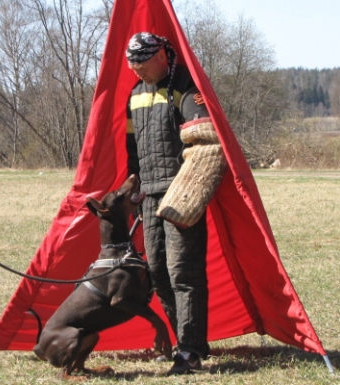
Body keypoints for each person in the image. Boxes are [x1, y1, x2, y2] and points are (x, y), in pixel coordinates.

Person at [125, 32, 209, 375]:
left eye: (143, 65)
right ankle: (185, 342)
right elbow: (133, 148)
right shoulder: (134, 93)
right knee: (158, 272)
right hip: (149, 195)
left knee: (183, 272)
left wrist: (190, 187)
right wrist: (133, 186)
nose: (138, 72)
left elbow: (205, 138)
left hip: (182, 193)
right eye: (133, 67)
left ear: (161, 55)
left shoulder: (186, 87)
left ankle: (189, 352)